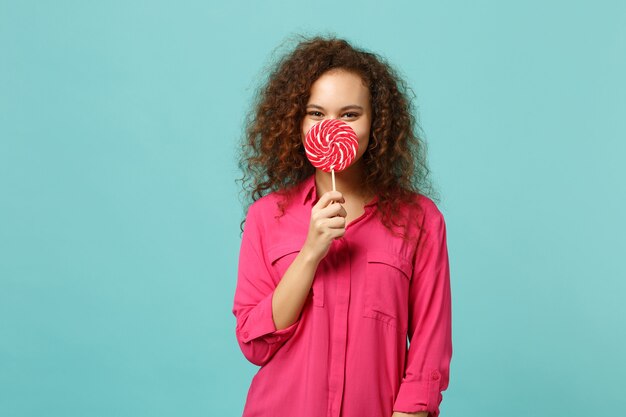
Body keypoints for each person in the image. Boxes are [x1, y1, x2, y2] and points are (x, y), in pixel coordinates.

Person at [232, 35, 452, 417]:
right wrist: (311, 251)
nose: (331, 126)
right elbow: (256, 344)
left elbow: (429, 353)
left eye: (349, 114)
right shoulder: (267, 217)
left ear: (376, 123)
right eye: (316, 113)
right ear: (296, 122)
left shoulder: (420, 220)